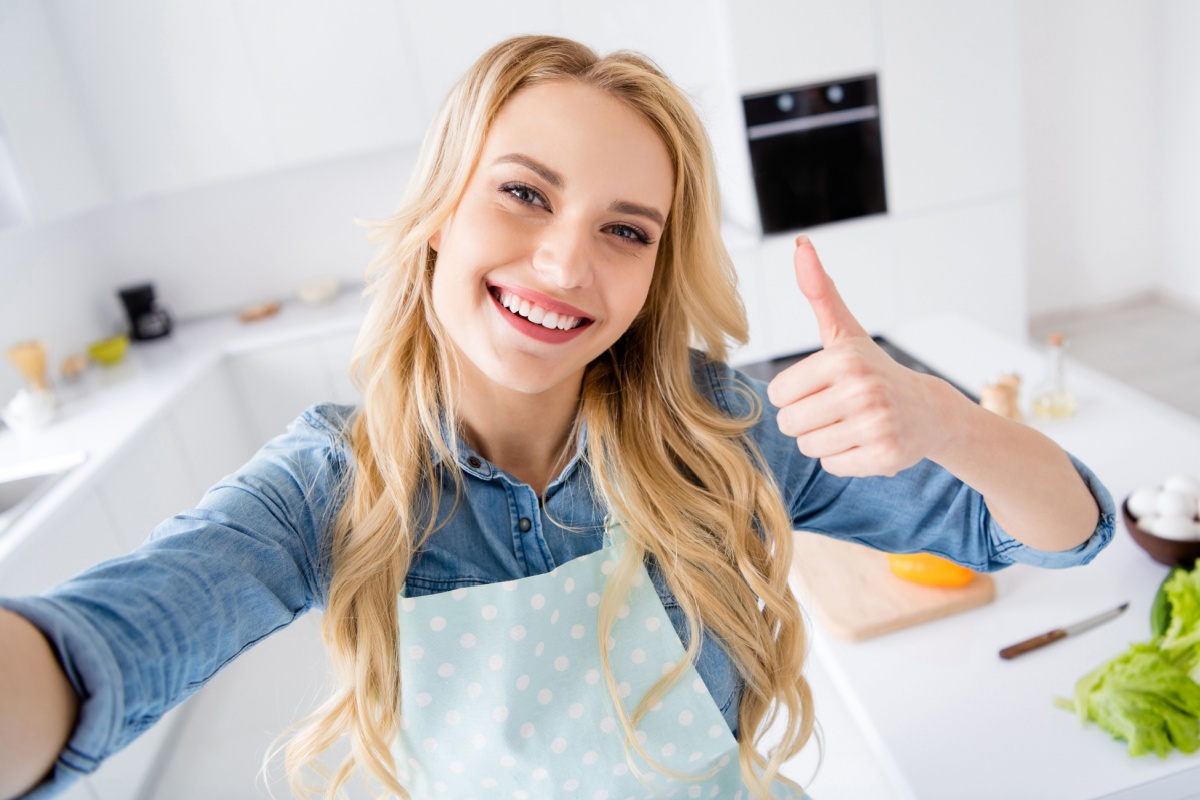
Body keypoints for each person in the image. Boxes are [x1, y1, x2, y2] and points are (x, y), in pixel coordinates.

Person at [0, 35, 1113, 800]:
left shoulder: (718, 429)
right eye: (524, 192)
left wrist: (946, 420)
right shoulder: (330, 487)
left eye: (626, 229)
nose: (566, 261)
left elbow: (1062, 530)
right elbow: (89, 652)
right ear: (441, 210)